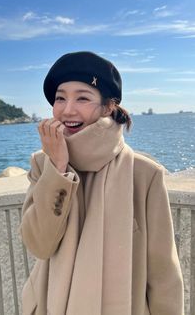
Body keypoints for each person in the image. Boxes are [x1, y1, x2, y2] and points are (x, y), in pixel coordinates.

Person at [20, 51, 184, 315]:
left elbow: (163, 274)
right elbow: (39, 244)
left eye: (83, 98)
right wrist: (58, 169)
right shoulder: (43, 164)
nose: (67, 109)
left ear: (108, 106)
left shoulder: (144, 174)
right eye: (60, 98)